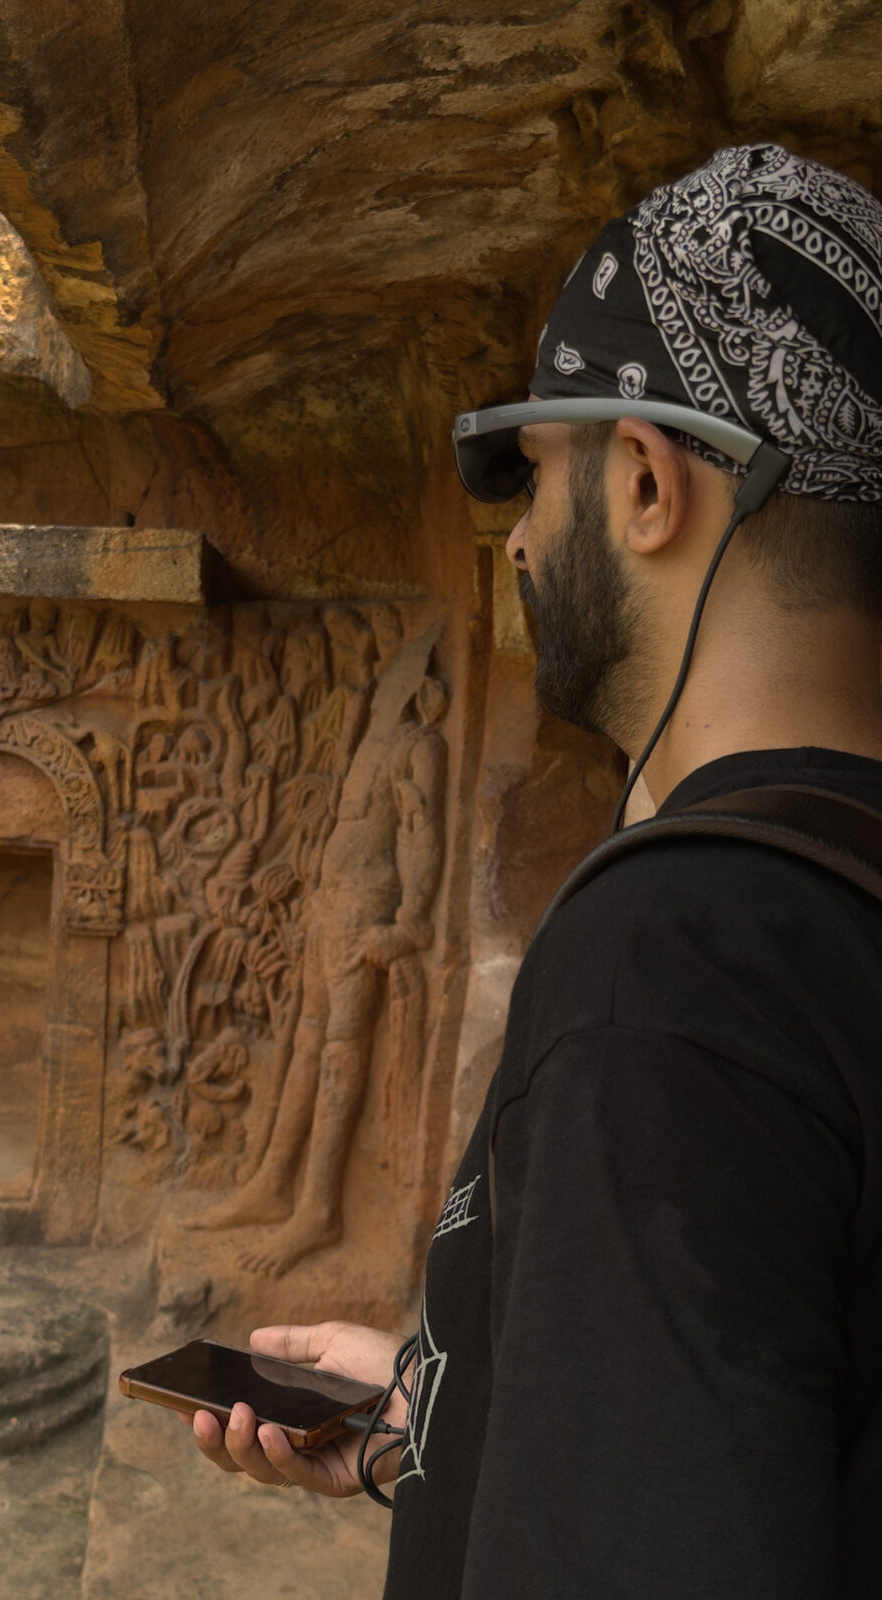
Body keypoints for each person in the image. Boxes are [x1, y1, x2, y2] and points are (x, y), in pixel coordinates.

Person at [188, 142, 882, 1599]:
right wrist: (460, 1403)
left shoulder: (681, 952)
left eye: (532, 470)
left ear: (644, 481)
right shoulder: (821, 912)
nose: (512, 536)